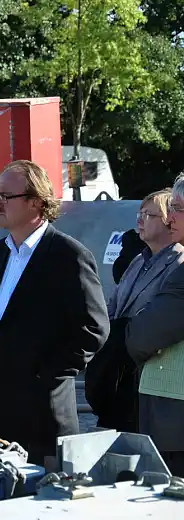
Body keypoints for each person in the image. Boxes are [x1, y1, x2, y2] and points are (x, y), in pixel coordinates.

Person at [0, 160, 109, 467]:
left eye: (5, 197)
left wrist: (45, 377)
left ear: (36, 202)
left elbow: (94, 329)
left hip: (41, 416)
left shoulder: (68, 256)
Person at [87, 190, 183, 432]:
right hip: (119, 368)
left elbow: (156, 323)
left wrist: (124, 333)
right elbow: (114, 303)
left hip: (148, 374)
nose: (139, 220)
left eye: (148, 215)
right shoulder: (138, 260)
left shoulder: (178, 264)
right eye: (139, 213)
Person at [126, 174, 184, 476]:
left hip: (174, 417)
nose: (170, 217)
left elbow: (143, 335)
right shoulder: (139, 260)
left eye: (177, 209)